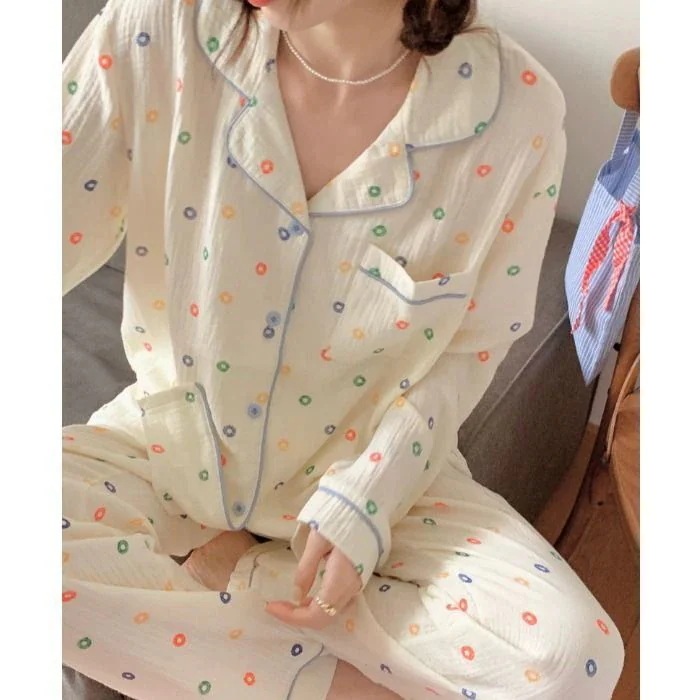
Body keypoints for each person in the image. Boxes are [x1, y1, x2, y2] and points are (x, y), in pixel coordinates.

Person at [62, 0, 625, 698]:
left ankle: (237, 576)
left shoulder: (515, 113)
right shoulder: (160, 30)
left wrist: (369, 498)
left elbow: (470, 352)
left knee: (569, 657)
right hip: (169, 447)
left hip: (372, 466)